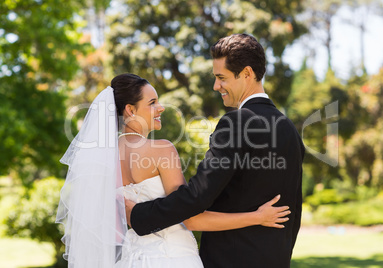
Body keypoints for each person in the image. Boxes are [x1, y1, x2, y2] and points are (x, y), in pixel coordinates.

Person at [56, 73, 291, 268]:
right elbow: (192, 219)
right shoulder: (161, 150)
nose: (161, 108)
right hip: (172, 258)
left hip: (131, 259)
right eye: (152, 103)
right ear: (130, 110)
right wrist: (258, 217)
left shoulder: (104, 159)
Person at [126, 34, 305, 268]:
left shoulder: (237, 122)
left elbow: (197, 195)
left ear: (248, 74)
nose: (216, 86)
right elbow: (295, 213)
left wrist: (139, 215)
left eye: (221, 78)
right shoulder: (289, 129)